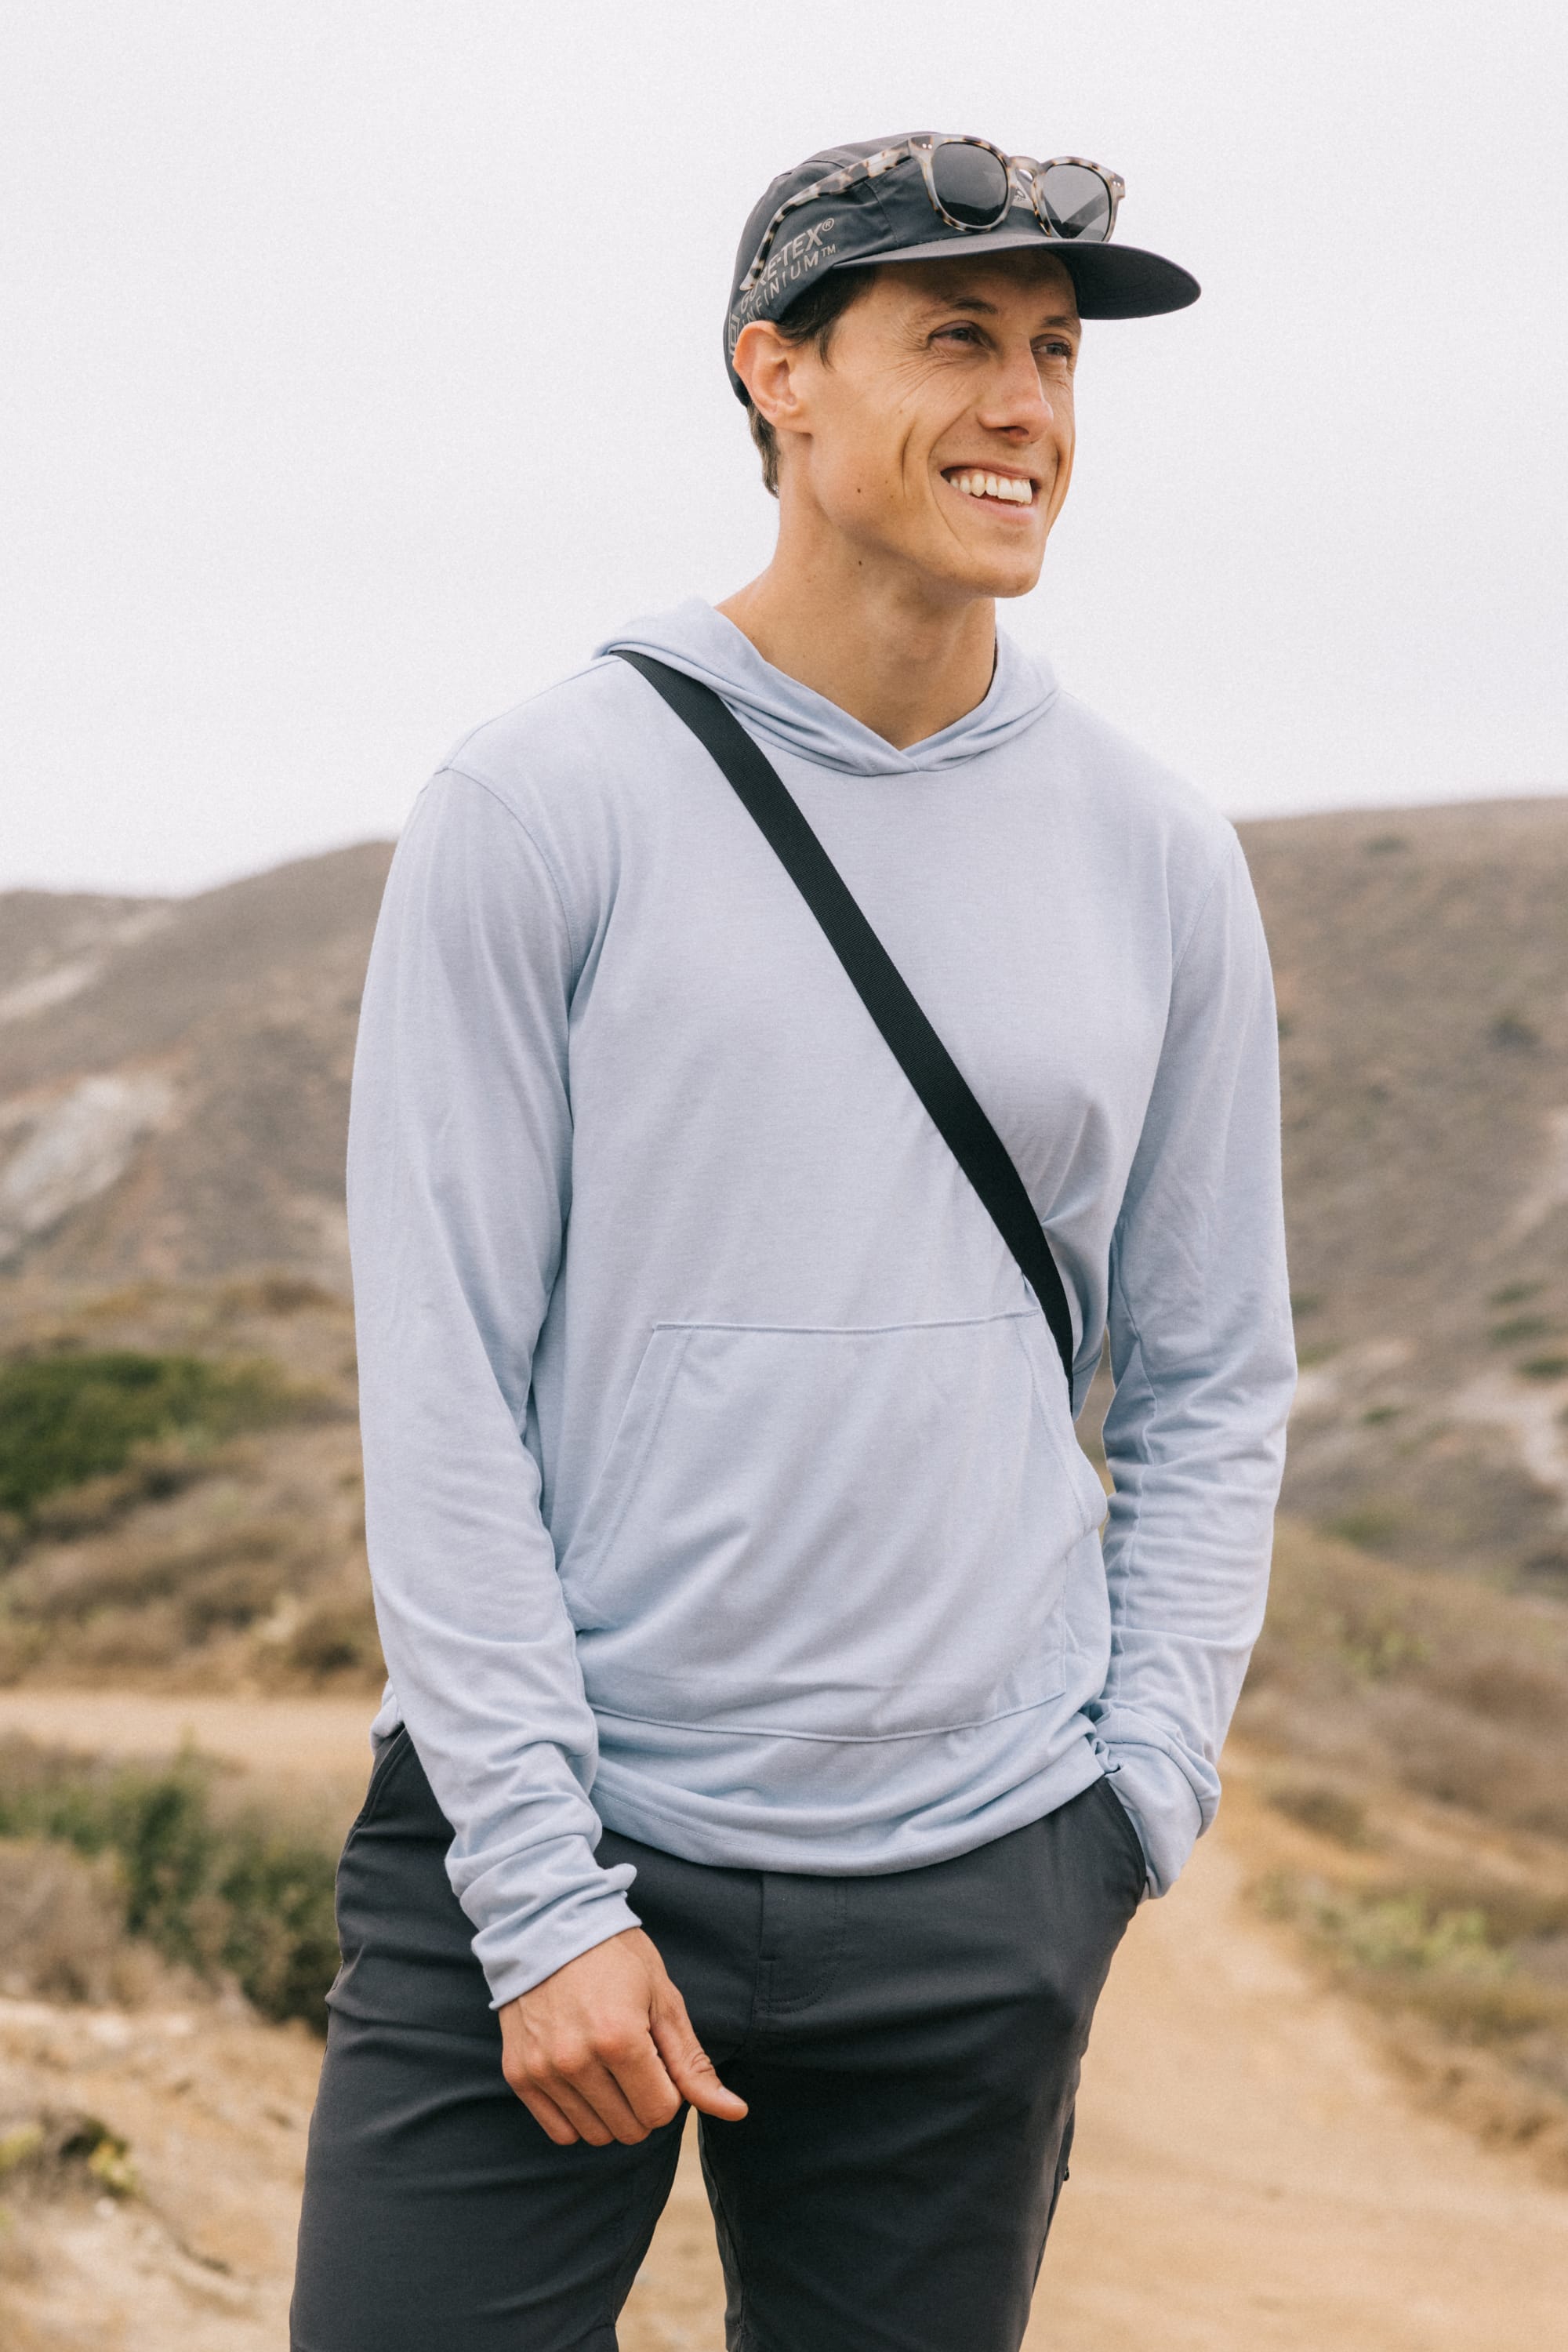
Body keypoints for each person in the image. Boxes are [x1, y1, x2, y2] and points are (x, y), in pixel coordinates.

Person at [291, 132, 1296, 2352]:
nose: (1027, 406)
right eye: (958, 339)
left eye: (1054, 354)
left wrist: (1135, 1802)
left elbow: (1219, 1371)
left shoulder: (1154, 854)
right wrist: (543, 1898)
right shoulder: (542, 804)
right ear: (782, 378)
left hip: (981, 1881)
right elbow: (441, 1378)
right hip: (544, 1853)